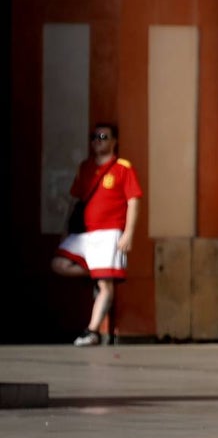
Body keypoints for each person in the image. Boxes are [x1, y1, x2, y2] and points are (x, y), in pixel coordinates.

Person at [51, 122, 143, 346]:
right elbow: (75, 201)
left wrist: (128, 233)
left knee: (105, 285)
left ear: (114, 141)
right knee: (58, 264)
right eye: (94, 137)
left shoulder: (123, 167)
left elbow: (133, 200)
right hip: (86, 234)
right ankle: (94, 272)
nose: (97, 141)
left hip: (110, 233)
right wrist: (65, 229)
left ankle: (91, 331)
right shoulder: (85, 167)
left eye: (102, 136)